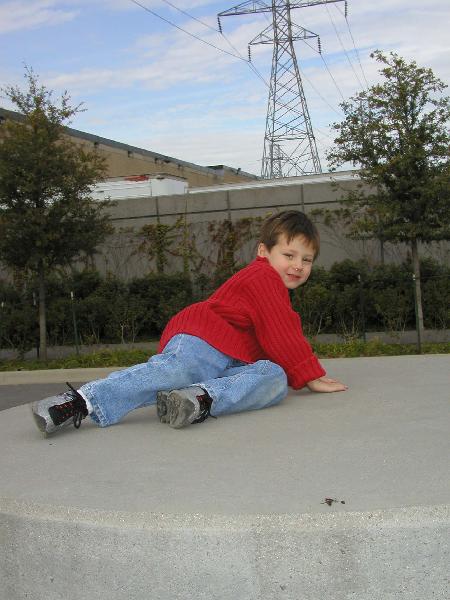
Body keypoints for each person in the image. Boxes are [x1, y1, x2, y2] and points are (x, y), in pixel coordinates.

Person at [31, 210, 347, 435]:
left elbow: (270, 343)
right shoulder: (262, 275)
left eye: (307, 260)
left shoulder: (274, 286)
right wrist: (310, 375)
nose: (298, 266)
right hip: (204, 339)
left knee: (274, 377)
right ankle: (81, 401)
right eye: (289, 255)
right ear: (263, 252)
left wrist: (292, 372)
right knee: (178, 370)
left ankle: (199, 397)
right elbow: (282, 332)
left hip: (230, 360)